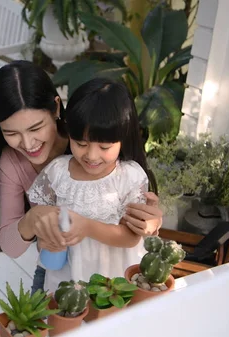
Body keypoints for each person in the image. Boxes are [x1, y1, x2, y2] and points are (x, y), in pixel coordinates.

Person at [0, 60, 163, 293]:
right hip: (64, 272)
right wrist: (34, 221)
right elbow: (11, 245)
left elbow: (133, 226)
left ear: (56, 108)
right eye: (11, 133)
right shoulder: (29, 165)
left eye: (35, 128)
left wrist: (151, 224)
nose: (27, 143)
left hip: (115, 270)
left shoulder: (92, 129)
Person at [26, 77, 157, 293]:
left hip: (113, 279)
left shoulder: (129, 177)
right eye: (80, 144)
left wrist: (87, 227)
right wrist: (46, 240)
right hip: (66, 276)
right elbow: (40, 219)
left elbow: (131, 237)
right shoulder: (58, 172)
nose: (91, 155)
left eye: (105, 147)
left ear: (123, 138)